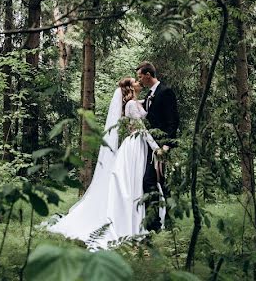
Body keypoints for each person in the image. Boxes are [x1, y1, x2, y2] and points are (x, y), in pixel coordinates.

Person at [46, 75, 162, 248]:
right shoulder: (130, 104)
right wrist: (156, 147)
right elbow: (142, 128)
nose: (138, 83)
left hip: (141, 145)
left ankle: (140, 219)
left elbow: (146, 111)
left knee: (137, 183)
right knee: (131, 184)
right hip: (136, 145)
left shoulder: (137, 102)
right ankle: (127, 222)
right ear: (130, 88)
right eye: (135, 82)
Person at [136, 61, 179, 232]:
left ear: (148, 75)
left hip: (161, 146)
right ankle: (163, 221)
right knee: (159, 182)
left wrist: (167, 145)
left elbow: (173, 121)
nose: (139, 80)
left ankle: (156, 224)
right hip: (151, 146)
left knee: (150, 181)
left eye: (140, 76)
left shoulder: (165, 92)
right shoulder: (150, 94)